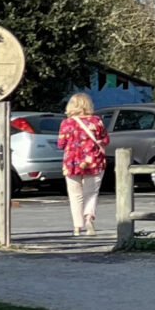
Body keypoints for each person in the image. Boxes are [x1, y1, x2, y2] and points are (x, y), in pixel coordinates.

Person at [58, 92, 110, 237]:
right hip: (94, 162)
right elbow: (105, 140)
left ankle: (77, 226)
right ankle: (89, 219)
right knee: (91, 193)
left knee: (75, 195)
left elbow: (61, 144)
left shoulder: (66, 123)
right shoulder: (96, 121)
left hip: (72, 163)